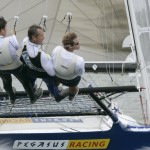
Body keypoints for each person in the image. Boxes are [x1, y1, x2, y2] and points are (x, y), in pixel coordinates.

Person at [0, 17, 43, 104]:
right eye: (5, 28)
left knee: (6, 83)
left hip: (1, 68)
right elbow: (16, 47)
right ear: (2, 30)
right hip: (15, 66)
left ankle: (12, 98)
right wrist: (13, 35)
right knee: (25, 80)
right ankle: (32, 97)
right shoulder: (10, 39)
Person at [20, 25, 66, 101]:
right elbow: (52, 73)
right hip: (41, 73)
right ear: (34, 37)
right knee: (50, 81)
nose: (44, 38)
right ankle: (55, 94)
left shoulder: (25, 41)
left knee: (31, 81)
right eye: (41, 36)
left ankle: (31, 92)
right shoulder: (42, 55)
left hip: (29, 70)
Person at [51, 32, 85, 100]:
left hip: (57, 75)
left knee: (56, 77)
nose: (79, 44)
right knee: (74, 86)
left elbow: (52, 60)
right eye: (77, 43)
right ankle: (71, 95)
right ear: (70, 46)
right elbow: (80, 73)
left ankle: (53, 91)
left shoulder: (57, 49)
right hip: (70, 80)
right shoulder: (79, 60)